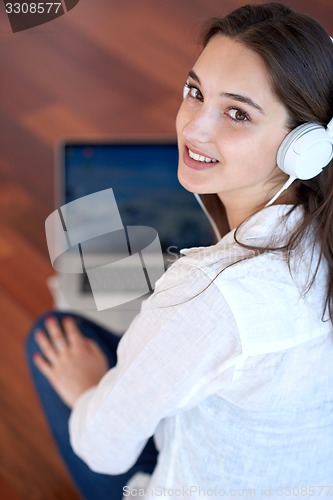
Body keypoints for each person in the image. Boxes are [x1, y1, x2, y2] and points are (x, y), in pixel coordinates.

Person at [26, 2, 333, 499]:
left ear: (306, 147)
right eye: (195, 92)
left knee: (49, 335)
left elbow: (104, 449)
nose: (193, 129)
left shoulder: (204, 295)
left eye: (237, 112)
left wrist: (85, 389)